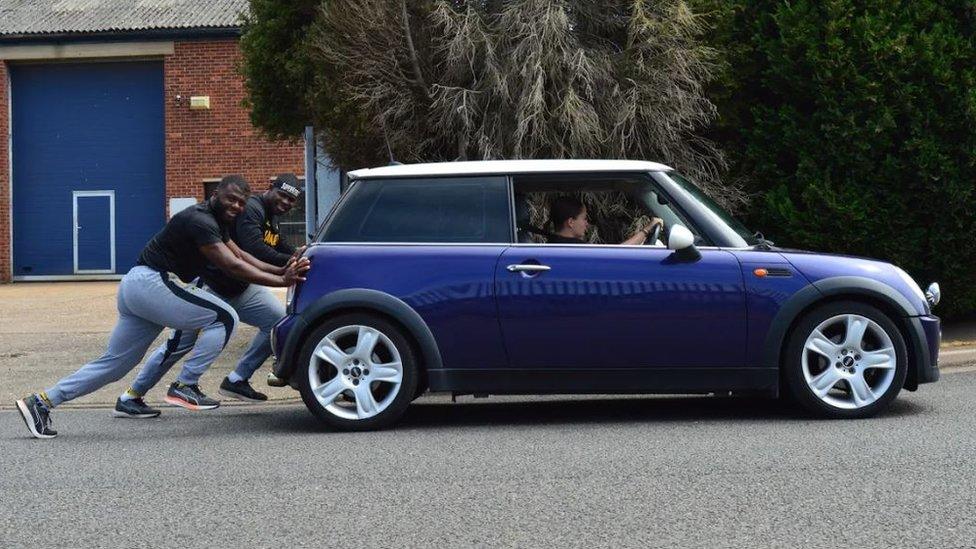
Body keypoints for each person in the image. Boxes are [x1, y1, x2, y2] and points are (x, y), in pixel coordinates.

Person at [14, 176, 310, 438]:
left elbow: (244, 258)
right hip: (152, 282)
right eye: (230, 198)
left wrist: (282, 274)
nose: (235, 205)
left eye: (241, 202)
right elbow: (232, 265)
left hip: (138, 289)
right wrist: (282, 278)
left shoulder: (220, 224)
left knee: (114, 365)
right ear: (215, 194)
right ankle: (185, 385)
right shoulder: (199, 219)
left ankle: (41, 402)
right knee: (223, 318)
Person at [117, 174, 304, 416]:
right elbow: (250, 250)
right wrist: (283, 272)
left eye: (291, 199)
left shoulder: (270, 218)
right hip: (213, 286)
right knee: (178, 346)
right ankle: (133, 396)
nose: (286, 202)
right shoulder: (251, 210)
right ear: (270, 189)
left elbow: (273, 247)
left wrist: (296, 257)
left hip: (242, 287)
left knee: (277, 322)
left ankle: (237, 379)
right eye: (283, 195)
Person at [547, 196, 664, 245]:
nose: (587, 224)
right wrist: (647, 229)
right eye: (584, 218)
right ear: (571, 222)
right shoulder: (573, 248)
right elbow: (619, 254)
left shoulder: (555, 243)